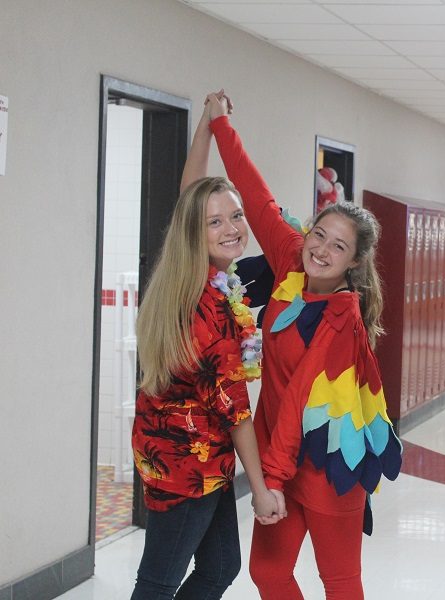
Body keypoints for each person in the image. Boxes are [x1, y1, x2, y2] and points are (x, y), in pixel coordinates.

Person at [190, 92, 402, 600]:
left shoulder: (342, 319)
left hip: (329, 464)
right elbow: (255, 195)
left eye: (338, 247)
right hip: (281, 457)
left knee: (340, 582)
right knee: (268, 572)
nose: (322, 250)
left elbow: (299, 400)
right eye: (320, 235)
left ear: (353, 263)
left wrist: (270, 481)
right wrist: (219, 124)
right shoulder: (291, 262)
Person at [130, 99, 283, 599]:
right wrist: (261, 491)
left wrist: (208, 125)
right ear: (196, 230)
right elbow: (236, 411)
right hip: (184, 463)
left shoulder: (209, 276)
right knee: (158, 582)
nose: (232, 228)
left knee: (219, 569)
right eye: (215, 222)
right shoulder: (206, 309)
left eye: (236, 215)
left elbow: (190, 196)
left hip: (201, 456)